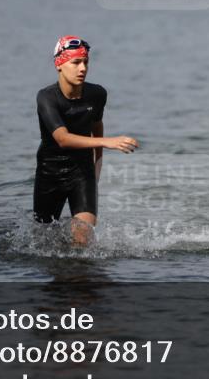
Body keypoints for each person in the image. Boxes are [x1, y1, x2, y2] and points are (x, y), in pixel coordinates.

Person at [34, 36, 139, 245]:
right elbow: (62, 139)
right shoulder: (46, 97)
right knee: (42, 241)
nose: (82, 68)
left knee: (82, 240)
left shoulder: (97, 94)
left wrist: (96, 168)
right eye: (75, 63)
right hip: (49, 174)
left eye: (86, 62)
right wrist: (107, 142)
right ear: (59, 65)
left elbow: (96, 127)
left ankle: (81, 275)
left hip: (82, 173)